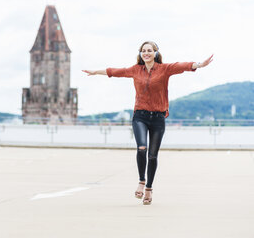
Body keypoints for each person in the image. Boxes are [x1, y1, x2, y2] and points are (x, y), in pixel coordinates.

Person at [82, 41, 213, 205]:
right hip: (140, 116)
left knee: (152, 155)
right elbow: (116, 71)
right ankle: (141, 181)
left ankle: (149, 189)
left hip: (158, 118)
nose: (146, 53)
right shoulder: (135, 70)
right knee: (142, 148)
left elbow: (182, 66)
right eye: (143, 51)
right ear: (140, 53)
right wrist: (95, 72)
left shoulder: (164, 69)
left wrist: (199, 64)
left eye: (149, 50)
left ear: (155, 53)